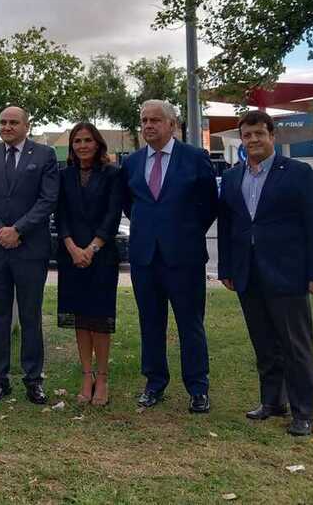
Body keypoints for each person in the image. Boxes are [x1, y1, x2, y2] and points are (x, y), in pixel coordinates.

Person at [218, 111, 313, 436]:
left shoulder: (299, 173)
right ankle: (272, 402)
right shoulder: (232, 177)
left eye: (259, 134)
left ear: (272, 136)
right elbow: (227, 228)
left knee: (295, 346)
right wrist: (227, 268)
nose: (253, 140)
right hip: (247, 274)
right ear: (241, 139)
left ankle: (303, 412)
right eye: (247, 135)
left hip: (288, 274)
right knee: (264, 343)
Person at [121, 99, 218, 413]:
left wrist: (183, 232)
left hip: (184, 257)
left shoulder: (195, 158)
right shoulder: (132, 163)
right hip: (144, 257)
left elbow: (209, 205)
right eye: (144, 120)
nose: (148, 125)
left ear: (172, 125)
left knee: (191, 324)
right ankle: (154, 383)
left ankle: (198, 388)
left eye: (155, 120)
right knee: (151, 323)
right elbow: (129, 205)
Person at [0, 106, 59, 405]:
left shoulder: (44, 156)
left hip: (30, 250)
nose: (7, 127)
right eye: (3, 122)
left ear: (26, 125)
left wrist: (18, 230)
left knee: (31, 316)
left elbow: (48, 199)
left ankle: (33, 379)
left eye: (13, 122)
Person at [56, 122, 123, 406]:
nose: (82, 146)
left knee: (100, 320)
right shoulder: (64, 175)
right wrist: (72, 247)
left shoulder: (113, 174)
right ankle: (86, 375)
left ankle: (103, 378)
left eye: (87, 140)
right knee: (80, 319)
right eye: (77, 141)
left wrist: (92, 248)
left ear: (98, 144)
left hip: (102, 256)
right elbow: (60, 215)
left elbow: (113, 215)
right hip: (71, 256)